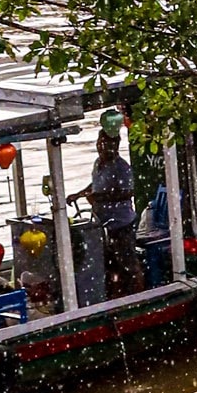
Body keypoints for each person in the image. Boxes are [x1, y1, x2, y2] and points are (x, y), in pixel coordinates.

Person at [84, 109, 143, 293]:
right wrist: (79, 195)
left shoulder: (121, 167)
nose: (103, 148)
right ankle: (116, 291)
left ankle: (138, 292)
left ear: (115, 146)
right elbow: (95, 185)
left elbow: (127, 192)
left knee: (128, 262)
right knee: (108, 262)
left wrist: (100, 198)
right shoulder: (97, 164)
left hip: (121, 222)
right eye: (100, 144)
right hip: (103, 223)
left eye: (108, 145)